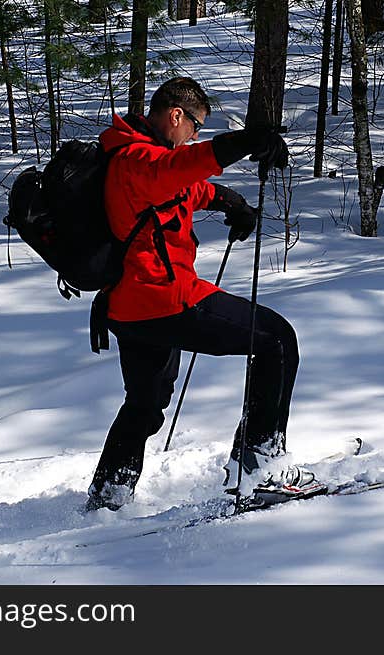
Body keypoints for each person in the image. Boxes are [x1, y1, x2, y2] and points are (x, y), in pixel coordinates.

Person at [85, 77, 322, 511]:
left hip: (130, 307)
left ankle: (108, 496)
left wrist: (227, 201)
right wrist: (246, 141)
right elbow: (180, 171)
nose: (195, 136)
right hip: (164, 299)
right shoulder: (138, 160)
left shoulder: (137, 156)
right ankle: (259, 468)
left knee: (145, 403)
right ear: (176, 115)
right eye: (195, 126)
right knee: (276, 341)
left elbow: (182, 187)